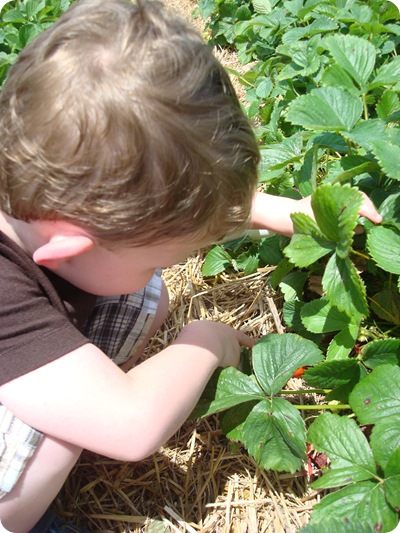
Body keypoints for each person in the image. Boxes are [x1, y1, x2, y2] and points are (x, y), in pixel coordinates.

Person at [0, 0, 382, 532]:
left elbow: (153, 209)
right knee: (51, 447)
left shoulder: (40, 198)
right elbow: (132, 427)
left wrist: (270, 209)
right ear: (68, 248)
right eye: (170, 254)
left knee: (139, 293)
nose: (177, 263)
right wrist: (205, 341)